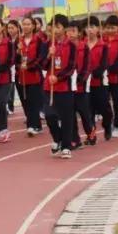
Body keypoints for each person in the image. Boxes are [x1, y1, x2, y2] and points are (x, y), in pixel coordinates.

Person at [45, 14, 78, 157]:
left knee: (66, 117)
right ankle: (58, 139)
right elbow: (43, 65)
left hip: (65, 86)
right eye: (53, 26)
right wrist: (49, 55)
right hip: (49, 87)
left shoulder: (71, 45)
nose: (55, 30)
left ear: (65, 28)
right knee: (49, 115)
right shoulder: (48, 44)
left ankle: (66, 146)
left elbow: (71, 67)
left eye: (58, 27)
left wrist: (58, 78)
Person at [80, 17, 113, 140]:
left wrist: (93, 73)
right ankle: (91, 135)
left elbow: (104, 64)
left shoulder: (103, 46)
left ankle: (107, 126)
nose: (89, 30)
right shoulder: (81, 45)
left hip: (99, 82)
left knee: (104, 108)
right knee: (89, 110)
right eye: (87, 27)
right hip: (85, 83)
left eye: (92, 27)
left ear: (98, 29)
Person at [17, 16, 48, 136]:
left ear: (33, 26)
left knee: (34, 102)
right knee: (26, 102)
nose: (25, 26)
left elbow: (41, 58)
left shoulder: (39, 40)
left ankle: (33, 125)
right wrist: (17, 52)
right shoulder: (19, 41)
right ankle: (33, 125)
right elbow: (15, 59)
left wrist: (29, 66)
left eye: (28, 24)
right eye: (24, 24)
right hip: (22, 76)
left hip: (35, 76)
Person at [0, 20, 19, 142]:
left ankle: (3, 129)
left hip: (5, 78)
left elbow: (11, 60)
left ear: (2, 27)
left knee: (0, 103)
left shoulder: (8, 43)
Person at [103, 15, 118, 135]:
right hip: (103, 77)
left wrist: (112, 69)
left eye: (112, 27)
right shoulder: (102, 41)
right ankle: (108, 124)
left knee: (117, 102)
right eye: (108, 27)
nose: (110, 30)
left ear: (117, 28)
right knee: (104, 102)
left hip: (117, 76)